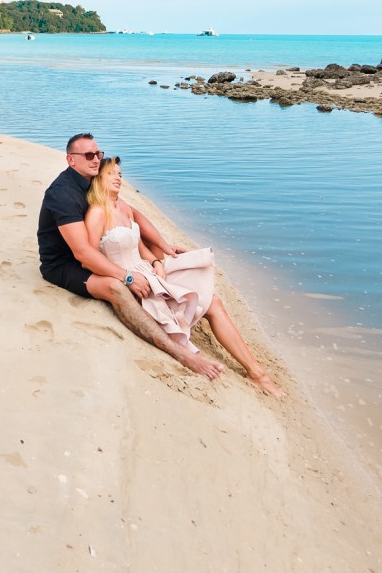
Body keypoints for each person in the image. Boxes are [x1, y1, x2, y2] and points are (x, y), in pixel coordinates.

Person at [86, 156, 285, 398]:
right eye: (111, 174)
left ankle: (257, 373)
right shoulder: (97, 212)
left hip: (149, 272)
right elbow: (90, 255)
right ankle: (220, 363)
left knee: (213, 301)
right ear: (99, 179)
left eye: (119, 173)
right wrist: (125, 279)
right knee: (179, 314)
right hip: (132, 281)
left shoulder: (125, 207)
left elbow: (140, 248)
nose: (118, 177)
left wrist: (157, 262)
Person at [38, 132, 222, 380]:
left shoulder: (93, 181)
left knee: (147, 248)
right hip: (63, 264)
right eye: (89, 155)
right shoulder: (62, 193)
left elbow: (134, 215)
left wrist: (163, 248)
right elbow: (82, 253)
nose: (96, 159)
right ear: (71, 160)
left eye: (98, 153)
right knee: (116, 287)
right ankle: (178, 351)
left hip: (91, 253)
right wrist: (127, 277)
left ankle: (173, 300)